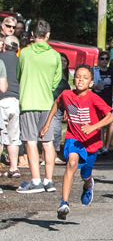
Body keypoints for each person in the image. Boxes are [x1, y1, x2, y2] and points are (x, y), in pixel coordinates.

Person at [40, 66, 113, 219]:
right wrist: (47, 124)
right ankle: (64, 203)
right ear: (74, 79)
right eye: (78, 76)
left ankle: (88, 185)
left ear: (91, 83)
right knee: (71, 163)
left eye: (85, 77)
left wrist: (94, 126)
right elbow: (56, 103)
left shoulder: (93, 98)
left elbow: (110, 116)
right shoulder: (67, 94)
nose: (81, 80)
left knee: (85, 176)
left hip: (91, 142)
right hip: (73, 137)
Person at [15, 20, 62, 194]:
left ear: (33, 35)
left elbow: (19, 74)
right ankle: (48, 180)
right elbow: (56, 81)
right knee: (48, 142)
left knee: (31, 142)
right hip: (46, 102)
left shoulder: (25, 54)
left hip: (28, 101)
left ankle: (36, 180)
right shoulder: (55, 55)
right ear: (48, 35)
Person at [93, 50, 113, 155]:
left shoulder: (112, 72)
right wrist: (95, 86)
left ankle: (102, 145)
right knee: (96, 122)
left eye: (106, 59)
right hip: (96, 98)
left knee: (103, 123)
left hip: (107, 99)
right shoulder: (94, 70)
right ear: (98, 60)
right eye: (102, 59)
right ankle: (97, 145)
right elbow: (88, 83)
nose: (104, 61)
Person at [0, 36, 19, 179]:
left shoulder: (1, 59)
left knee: (1, 136)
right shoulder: (20, 61)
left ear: (4, 46)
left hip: (1, 100)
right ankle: (14, 168)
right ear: (17, 49)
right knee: (14, 136)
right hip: (15, 101)